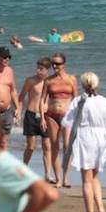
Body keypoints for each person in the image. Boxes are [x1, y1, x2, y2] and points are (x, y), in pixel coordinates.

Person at [61, 72, 106, 212]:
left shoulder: (78, 101)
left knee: (86, 179)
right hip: (102, 139)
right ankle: (101, 209)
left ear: (83, 84)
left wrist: (67, 144)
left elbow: (67, 123)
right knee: (94, 177)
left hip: (86, 138)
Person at [41, 53, 76, 187]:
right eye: (53, 63)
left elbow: (76, 99)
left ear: (64, 65)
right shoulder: (48, 80)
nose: (55, 66)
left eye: (58, 64)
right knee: (55, 146)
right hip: (51, 114)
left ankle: (66, 178)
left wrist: (77, 116)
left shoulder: (71, 79)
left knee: (67, 146)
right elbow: (43, 99)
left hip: (67, 115)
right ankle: (58, 179)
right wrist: (42, 118)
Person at [16, 58, 52, 181]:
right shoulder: (31, 80)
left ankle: (47, 174)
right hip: (31, 115)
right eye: (37, 68)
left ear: (48, 70)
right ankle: (23, 169)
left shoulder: (51, 82)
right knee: (31, 146)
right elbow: (21, 97)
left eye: (41, 69)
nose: (38, 71)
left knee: (47, 146)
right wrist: (18, 112)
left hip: (46, 116)